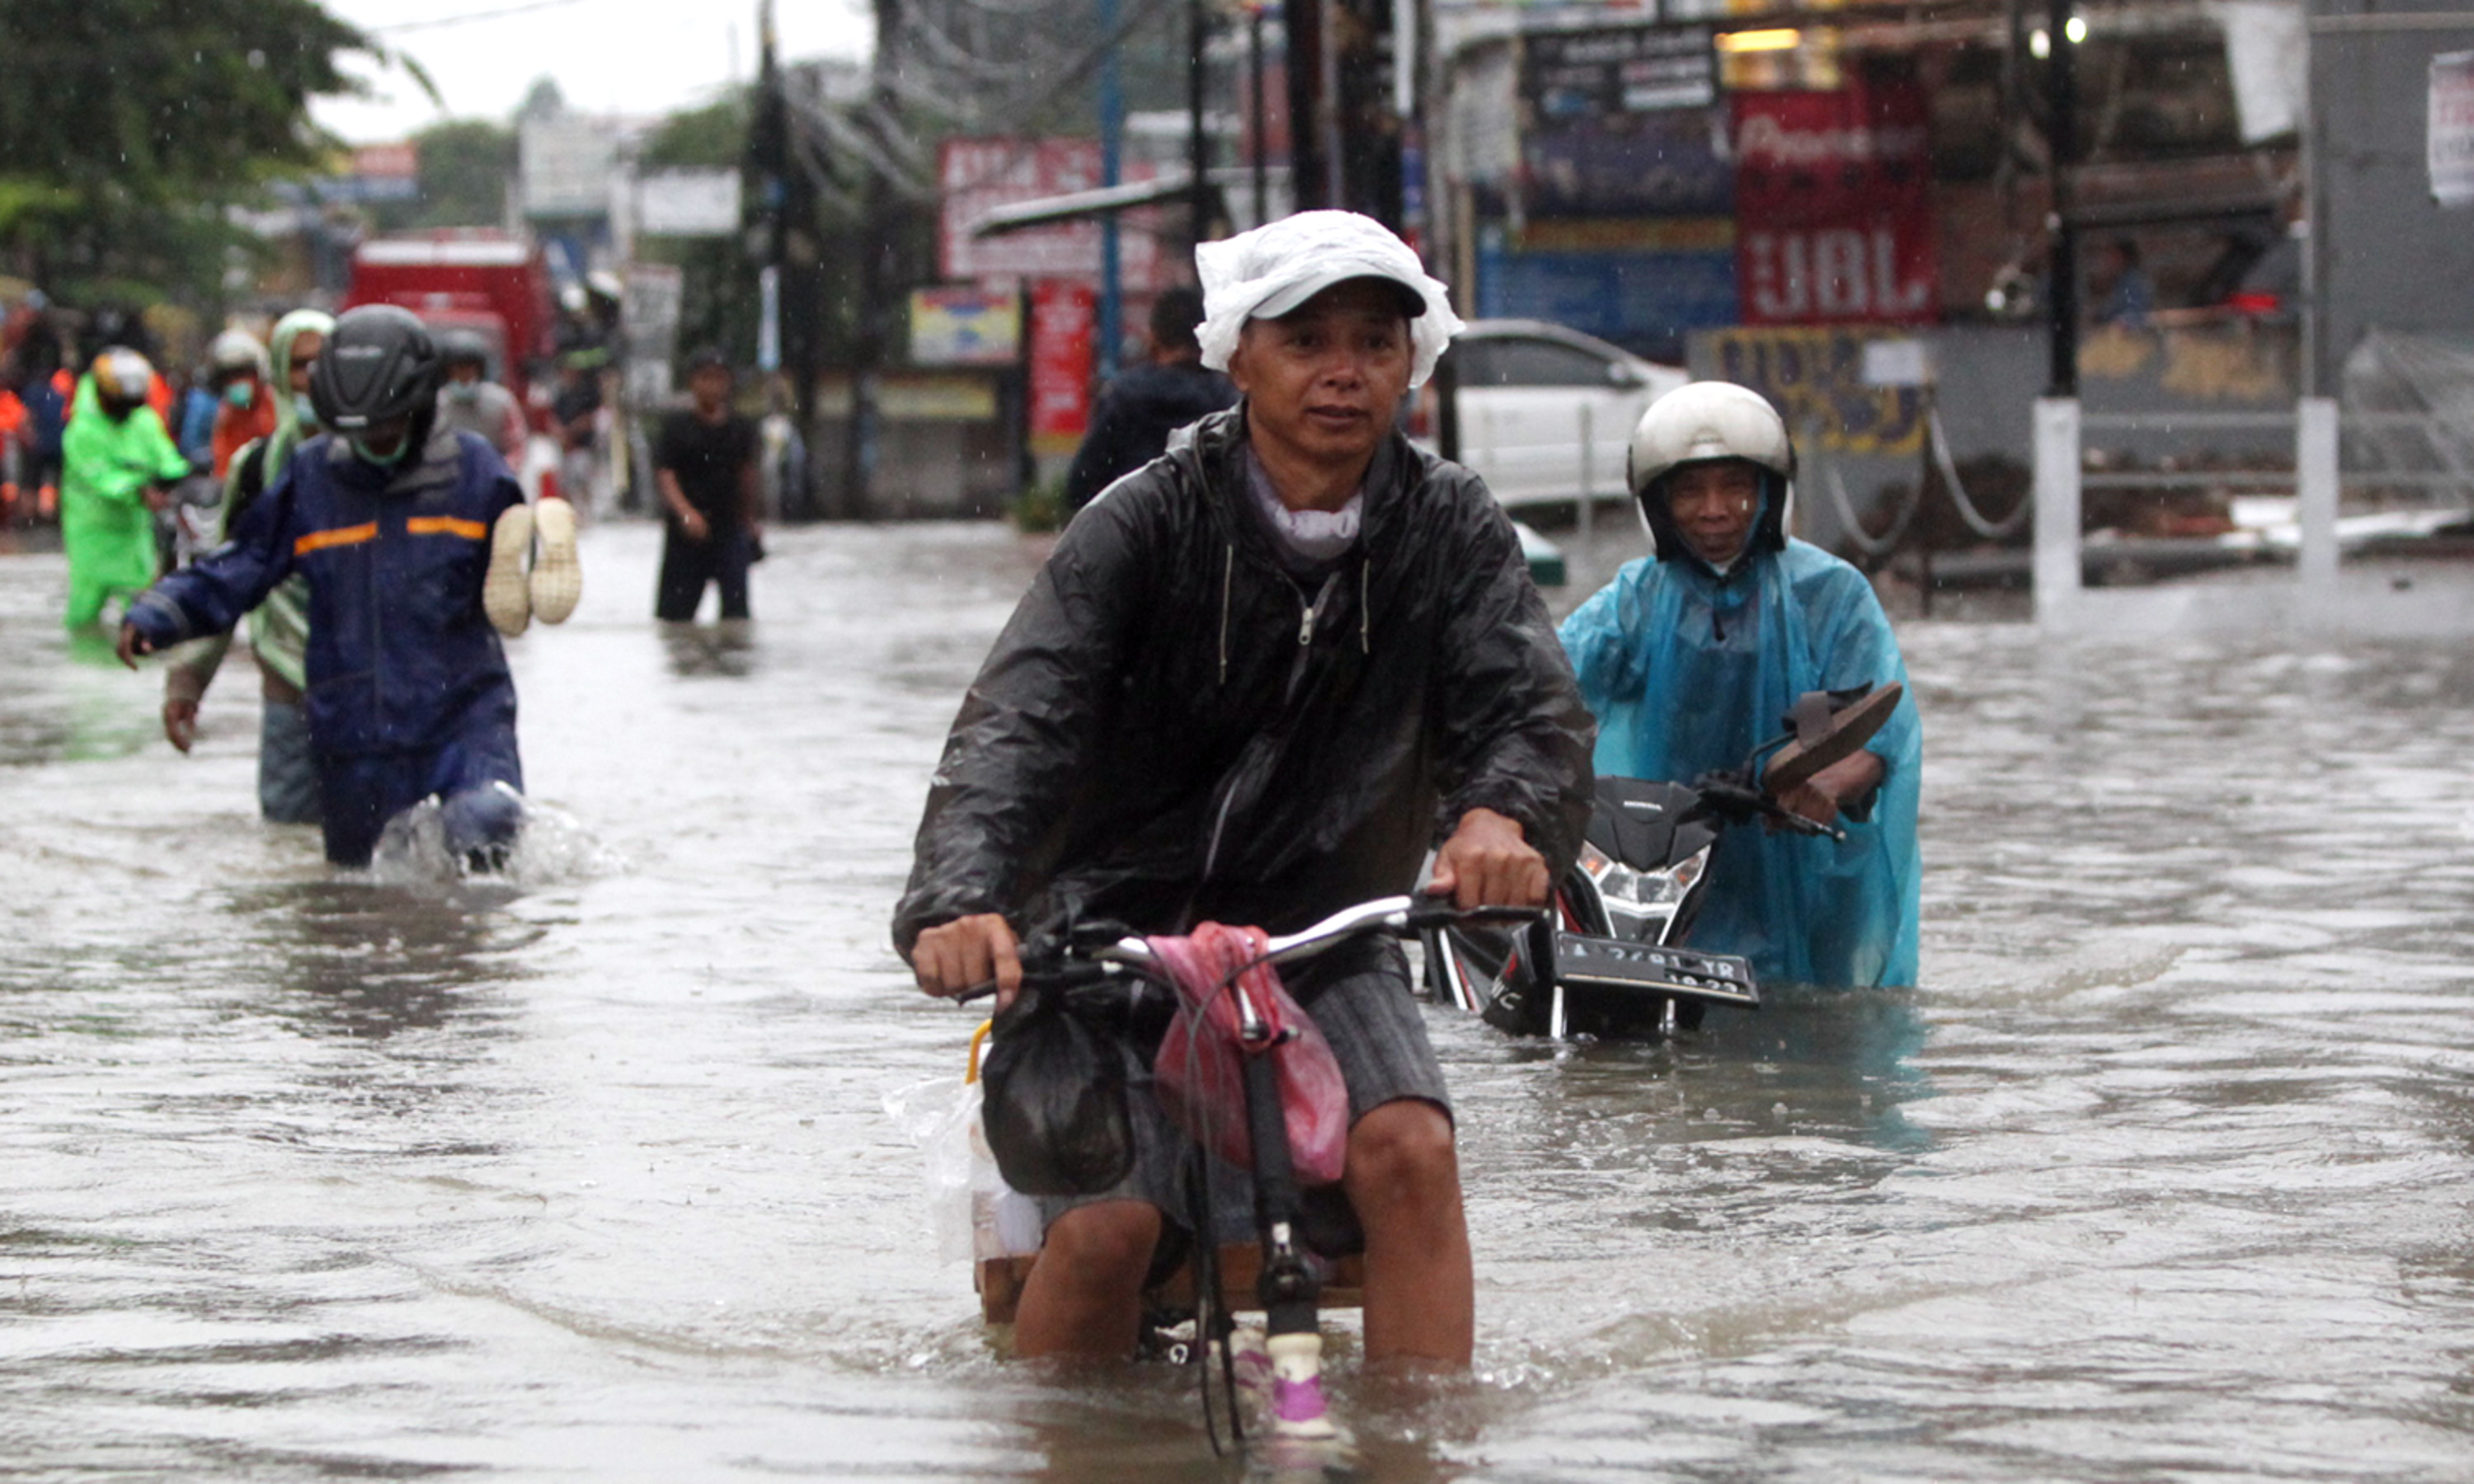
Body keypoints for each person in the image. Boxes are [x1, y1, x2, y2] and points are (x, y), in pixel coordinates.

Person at [895, 210, 1595, 1367]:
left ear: (1410, 364)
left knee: (1412, 1153)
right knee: (1109, 1226)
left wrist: (1501, 814)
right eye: (1307, 339)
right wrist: (959, 903)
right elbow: (1017, 728)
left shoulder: (1451, 526)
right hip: (1100, 934)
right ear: (1237, 356)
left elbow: (1528, 707)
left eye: (1375, 343)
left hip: (1322, 931)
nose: (1344, 372)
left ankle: (1424, 1449)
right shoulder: (1142, 524)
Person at [116, 305, 581, 870]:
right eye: (360, 431)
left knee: (481, 831)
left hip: (461, 713)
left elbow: (507, 589)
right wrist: (161, 613)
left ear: (415, 407)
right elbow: (242, 564)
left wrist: (533, 568)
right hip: (352, 725)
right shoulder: (312, 477)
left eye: (387, 427)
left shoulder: (474, 472)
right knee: (359, 889)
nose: (375, 441)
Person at [1558, 382, 1921, 989]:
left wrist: (1821, 784)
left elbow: (1881, 732)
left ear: (1769, 491)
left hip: (1805, 857)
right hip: (1668, 860)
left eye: (1736, 486)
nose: (1714, 510)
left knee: (1824, 1033)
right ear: (1658, 503)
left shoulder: (1830, 594)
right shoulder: (1634, 600)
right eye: (1690, 491)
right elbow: (1550, 693)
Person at [157, 309, 331, 824]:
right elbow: (230, 575)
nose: (313, 378)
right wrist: (188, 679)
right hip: (287, 681)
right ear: (278, 372)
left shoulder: (383, 459)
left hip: (376, 689)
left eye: (325, 362)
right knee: (289, 838)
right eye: (299, 365)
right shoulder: (257, 467)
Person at [1060, 286, 1239, 511]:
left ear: (1154, 337)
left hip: (1132, 532)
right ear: (1207, 339)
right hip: (1209, 539)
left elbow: (1081, 484)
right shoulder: (1229, 402)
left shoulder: (1123, 396)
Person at [60, 347, 190, 629]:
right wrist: (139, 490)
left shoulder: (143, 421)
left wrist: (178, 474)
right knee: (85, 611)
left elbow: (166, 457)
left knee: (141, 609)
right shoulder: (82, 429)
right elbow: (100, 477)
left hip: (134, 531)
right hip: (92, 531)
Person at [652, 347, 760, 622]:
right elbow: (666, 476)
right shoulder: (676, 428)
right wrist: (686, 512)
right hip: (685, 532)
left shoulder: (741, 428)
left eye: (719, 378)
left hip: (729, 527)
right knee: (675, 618)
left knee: (737, 616)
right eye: (706, 378)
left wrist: (750, 522)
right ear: (692, 382)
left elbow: (747, 476)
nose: (712, 386)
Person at [434, 330, 529, 467]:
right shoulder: (437, 405)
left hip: (491, 474)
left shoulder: (501, 402)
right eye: (458, 369)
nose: (464, 376)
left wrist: (502, 472)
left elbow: (517, 445)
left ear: (480, 370)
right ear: (447, 372)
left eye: (470, 369)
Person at [204, 329, 278, 481]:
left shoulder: (276, 406)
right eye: (228, 376)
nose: (236, 381)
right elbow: (224, 464)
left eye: (242, 373)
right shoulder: (227, 415)